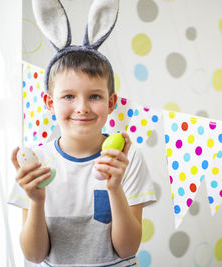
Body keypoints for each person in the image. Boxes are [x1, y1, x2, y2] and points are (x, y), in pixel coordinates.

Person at [8, 0, 156, 266]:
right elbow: (33, 255)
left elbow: (127, 249)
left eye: (95, 96)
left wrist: (114, 187)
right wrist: (37, 201)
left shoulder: (125, 159)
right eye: (68, 96)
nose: (82, 108)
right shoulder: (36, 163)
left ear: (111, 103)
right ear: (50, 104)